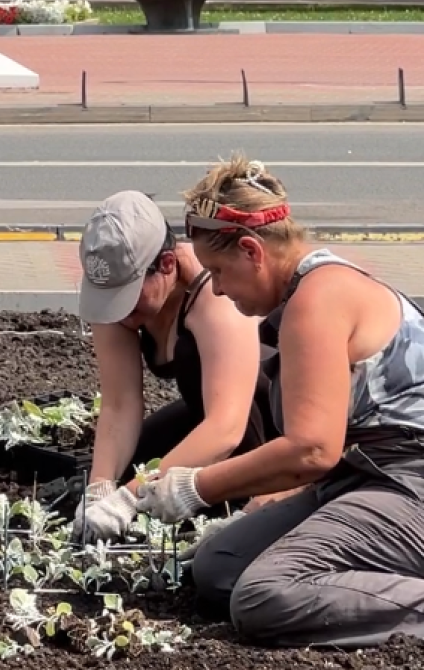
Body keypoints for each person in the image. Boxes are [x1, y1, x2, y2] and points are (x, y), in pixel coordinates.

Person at [134, 157, 424, 651]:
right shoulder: (307, 290)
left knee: (262, 596)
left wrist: (195, 488)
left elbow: (312, 450)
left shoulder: (316, 301)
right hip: (378, 478)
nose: (218, 288)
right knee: (219, 568)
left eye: (219, 271)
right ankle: (374, 586)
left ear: (252, 250)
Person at [72, 190, 276, 544]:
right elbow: (120, 403)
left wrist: (131, 496)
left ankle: (248, 493)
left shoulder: (215, 296)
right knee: (129, 465)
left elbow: (226, 427)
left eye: (128, 297)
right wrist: (101, 488)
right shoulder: (114, 294)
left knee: (150, 493)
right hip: (202, 412)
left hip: (265, 422)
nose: (119, 312)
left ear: (167, 264)